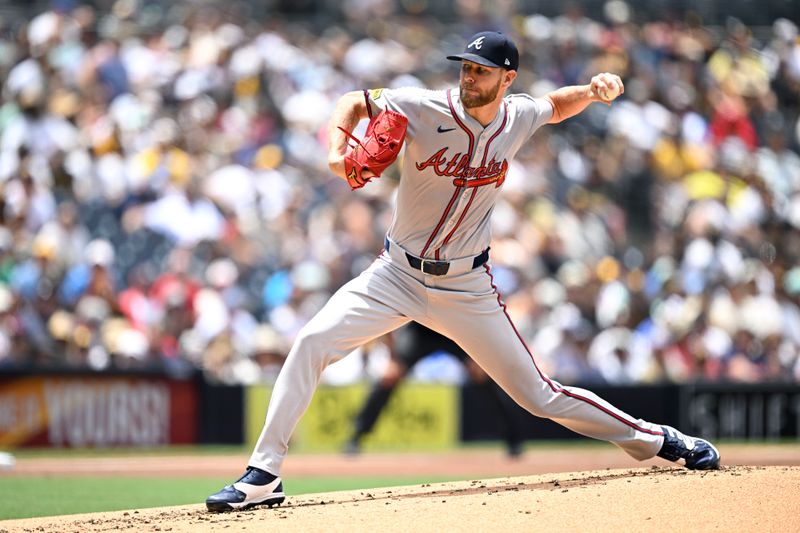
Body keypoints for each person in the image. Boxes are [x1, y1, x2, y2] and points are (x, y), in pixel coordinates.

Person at [206, 31, 720, 512]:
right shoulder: (422, 104)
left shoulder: (516, 115)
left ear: (507, 78)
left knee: (540, 396)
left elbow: (556, 107)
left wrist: (591, 89)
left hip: (466, 285)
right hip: (396, 275)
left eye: (481, 70)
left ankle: (663, 440)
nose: (468, 77)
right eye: (466, 68)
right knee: (311, 341)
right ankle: (264, 474)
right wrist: (338, 150)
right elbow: (355, 101)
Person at [344, 321, 524, 457]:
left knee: (483, 376)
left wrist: (482, 354)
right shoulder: (412, 273)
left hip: (455, 329)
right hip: (422, 332)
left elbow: (482, 312)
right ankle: (356, 436)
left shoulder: (462, 274)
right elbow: (388, 318)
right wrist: (392, 358)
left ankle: (513, 437)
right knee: (390, 378)